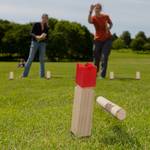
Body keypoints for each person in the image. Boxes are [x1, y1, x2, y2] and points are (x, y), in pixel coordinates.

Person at [88, 3, 113, 79]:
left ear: (101, 9)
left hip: (107, 39)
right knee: (96, 57)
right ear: (94, 9)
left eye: (98, 8)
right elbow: (89, 21)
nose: (97, 9)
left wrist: (109, 27)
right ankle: (94, 73)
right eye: (96, 8)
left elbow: (111, 24)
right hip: (97, 39)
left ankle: (102, 75)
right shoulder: (94, 18)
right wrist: (90, 11)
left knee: (104, 56)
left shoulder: (106, 16)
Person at [22, 14, 49, 78]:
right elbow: (31, 33)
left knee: (42, 59)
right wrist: (37, 36)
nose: (45, 19)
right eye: (44, 18)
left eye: (46, 18)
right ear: (42, 18)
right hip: (34, 42)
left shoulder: (47, 27)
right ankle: (24, 75)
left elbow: (47, 36)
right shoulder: (36, 24)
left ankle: (42, 76)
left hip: (43, 44)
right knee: (30, 58)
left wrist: (43, 37)